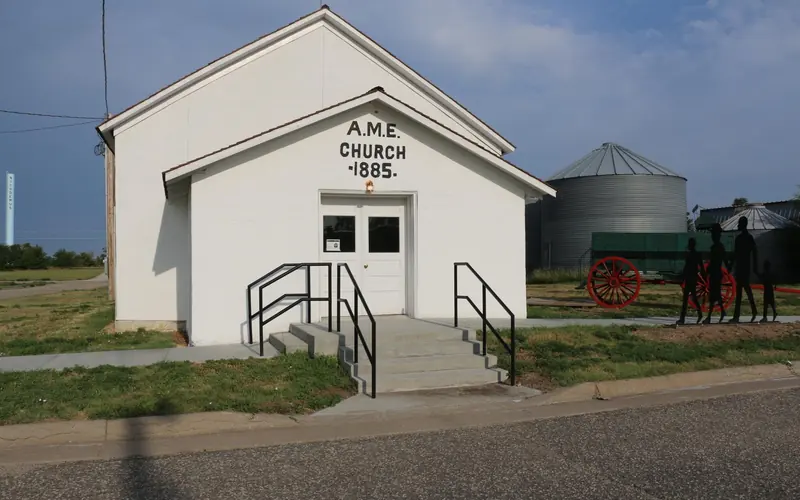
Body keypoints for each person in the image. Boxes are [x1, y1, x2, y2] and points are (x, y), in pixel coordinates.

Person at [729, 216, 758, 323]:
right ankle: (752, 311)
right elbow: (736, 254)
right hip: (743, 267)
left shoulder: (743, 238)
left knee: (743, 291)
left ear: (743, 224)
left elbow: (736, 254)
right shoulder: (745, 238)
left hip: (743, 267)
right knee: (744, 291)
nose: (738, 225)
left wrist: (731, 266)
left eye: (740, 223)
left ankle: (738, 316)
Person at [703, 224, 728, 324]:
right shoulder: (717, 247)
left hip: (715, 273)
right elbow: (724, 259)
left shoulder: (717, 247)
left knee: (714, 295)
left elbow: (718, 260)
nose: (713, 236)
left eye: (714, 234)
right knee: (715, 294)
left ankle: (709, 317)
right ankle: (722, 311)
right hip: (715, 272)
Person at [677, 237, 704, 325]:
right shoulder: (698, 255)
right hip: (694, 277)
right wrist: (704, 277)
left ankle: (682, 318)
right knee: (693, 297)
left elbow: (686, 268)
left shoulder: (689, 255)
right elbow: (702, 267)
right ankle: (699, 314)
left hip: (689, 277)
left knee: (686, 298)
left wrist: (682, 278)